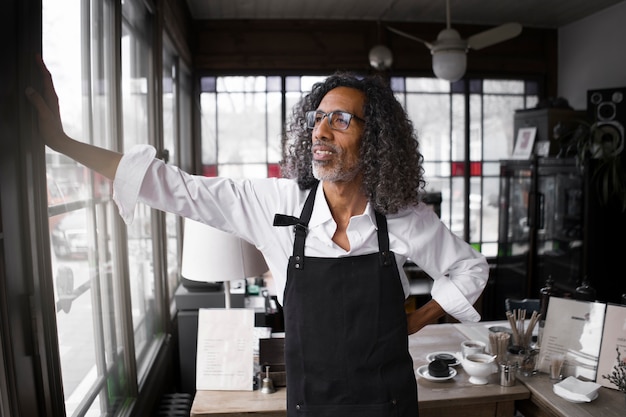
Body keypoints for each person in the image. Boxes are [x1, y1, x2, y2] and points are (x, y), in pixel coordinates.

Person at [27, 56, 488, 417]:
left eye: (341, 120)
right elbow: (174, 187)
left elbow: (469, 267)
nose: (321, 132)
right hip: (313, 410)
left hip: (390, 407)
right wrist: (64, 143)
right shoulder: (273, 203)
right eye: (318, 118)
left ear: (376, 140)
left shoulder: (404, 217)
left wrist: (418, 318)